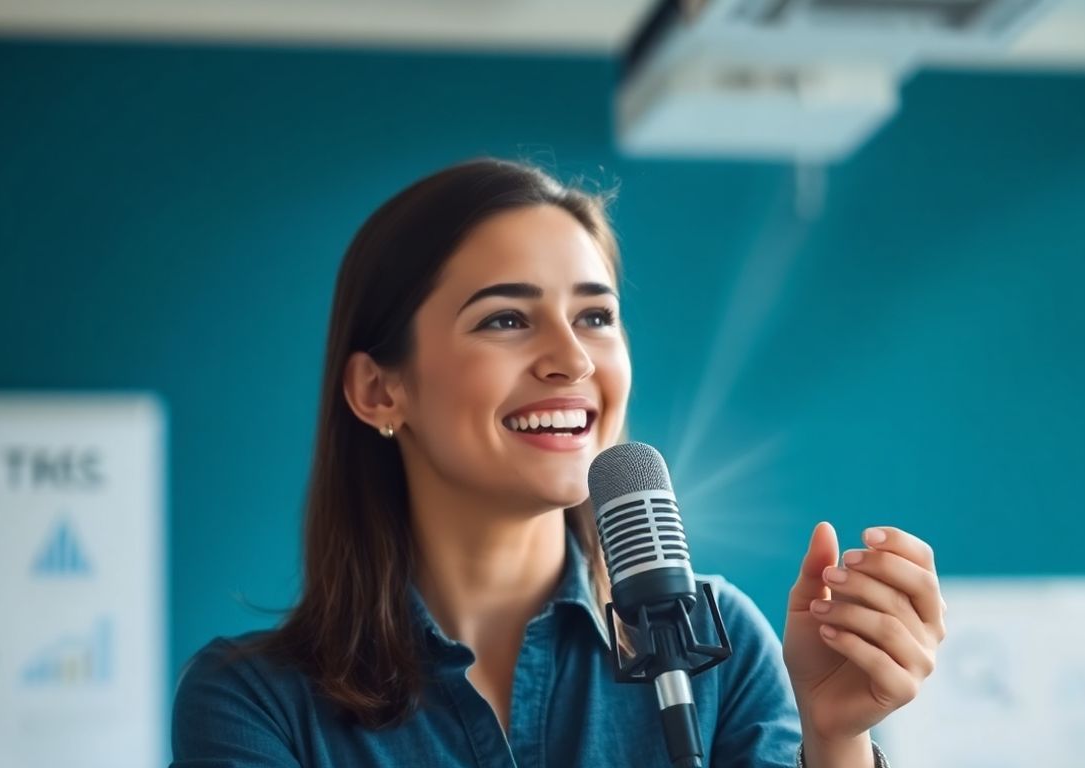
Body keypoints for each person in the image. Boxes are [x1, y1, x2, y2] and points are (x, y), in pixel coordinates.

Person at [170, 158, 947, 767]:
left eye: (596, 316)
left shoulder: (727, 652)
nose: (572, 358)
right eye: (506, 318)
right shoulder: (254, 702)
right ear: (380, 389)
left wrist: (836, 741)